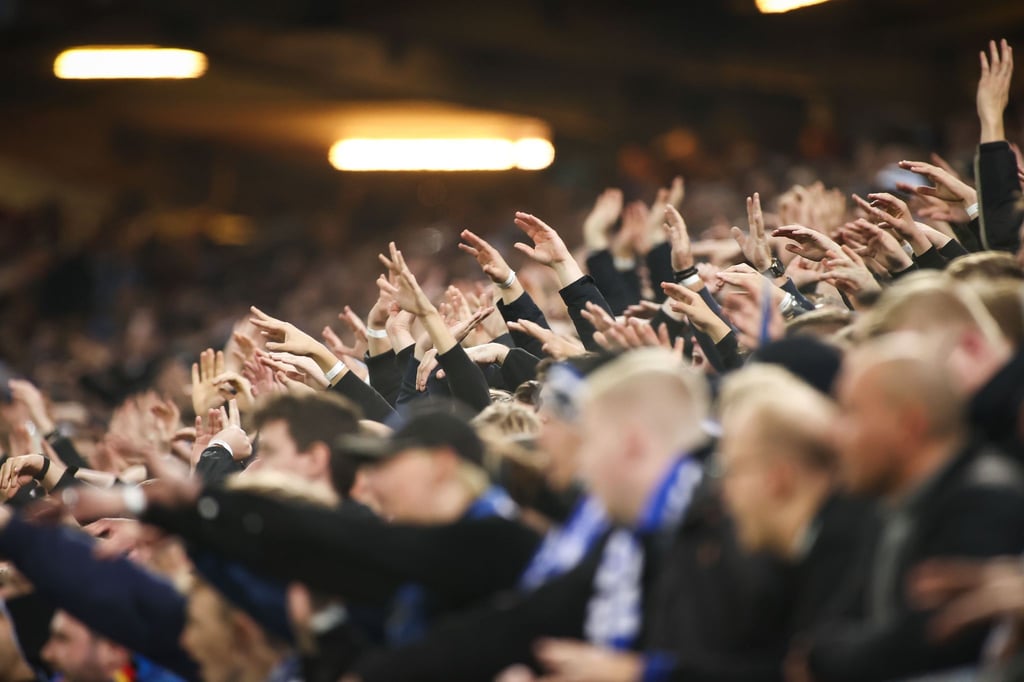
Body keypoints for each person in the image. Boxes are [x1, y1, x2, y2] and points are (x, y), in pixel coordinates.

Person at [800, 334, 1024, 681]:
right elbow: (835, 620)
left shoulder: (986, 501)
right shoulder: (885, 504)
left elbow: (934, 641)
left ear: (908, 425)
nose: (834, 433)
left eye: (851, 413)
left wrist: (821, 659)